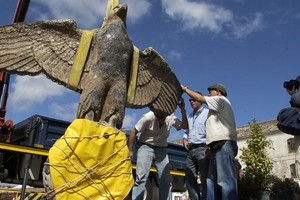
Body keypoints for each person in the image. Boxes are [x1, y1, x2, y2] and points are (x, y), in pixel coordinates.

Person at [181, 83, 238, 200]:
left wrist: (185, 89)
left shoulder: (221, 100)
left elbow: (200, 98)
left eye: (210, 92)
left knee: (225, 182)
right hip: (214, 148)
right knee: (210, 182)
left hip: (224, 145)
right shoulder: (214, 110)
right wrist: (210, 148)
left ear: (218, 92)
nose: (209, 94)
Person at [128, 98, 188, 200]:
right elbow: (133, 132)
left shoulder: (170, 118)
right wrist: (130, 150)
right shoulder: (147, 118)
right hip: (145, 146)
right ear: (155, 115)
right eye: (158, 118)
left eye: (163, 119)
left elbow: (184, 126)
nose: (161, 121)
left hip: (161, 148)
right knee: (141, 178)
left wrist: (182, 109)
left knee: (165, 180)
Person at [182, 92, 209, 200]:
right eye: (190, 100)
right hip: (190, 151)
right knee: (189, 180)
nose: (191, 102)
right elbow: (186, 130)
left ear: (200, 101)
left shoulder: (207, 113)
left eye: (193, 99)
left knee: (205, 180)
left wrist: (209, 149)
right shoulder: (189, 115)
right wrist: (184, 138)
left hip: (203, 149)